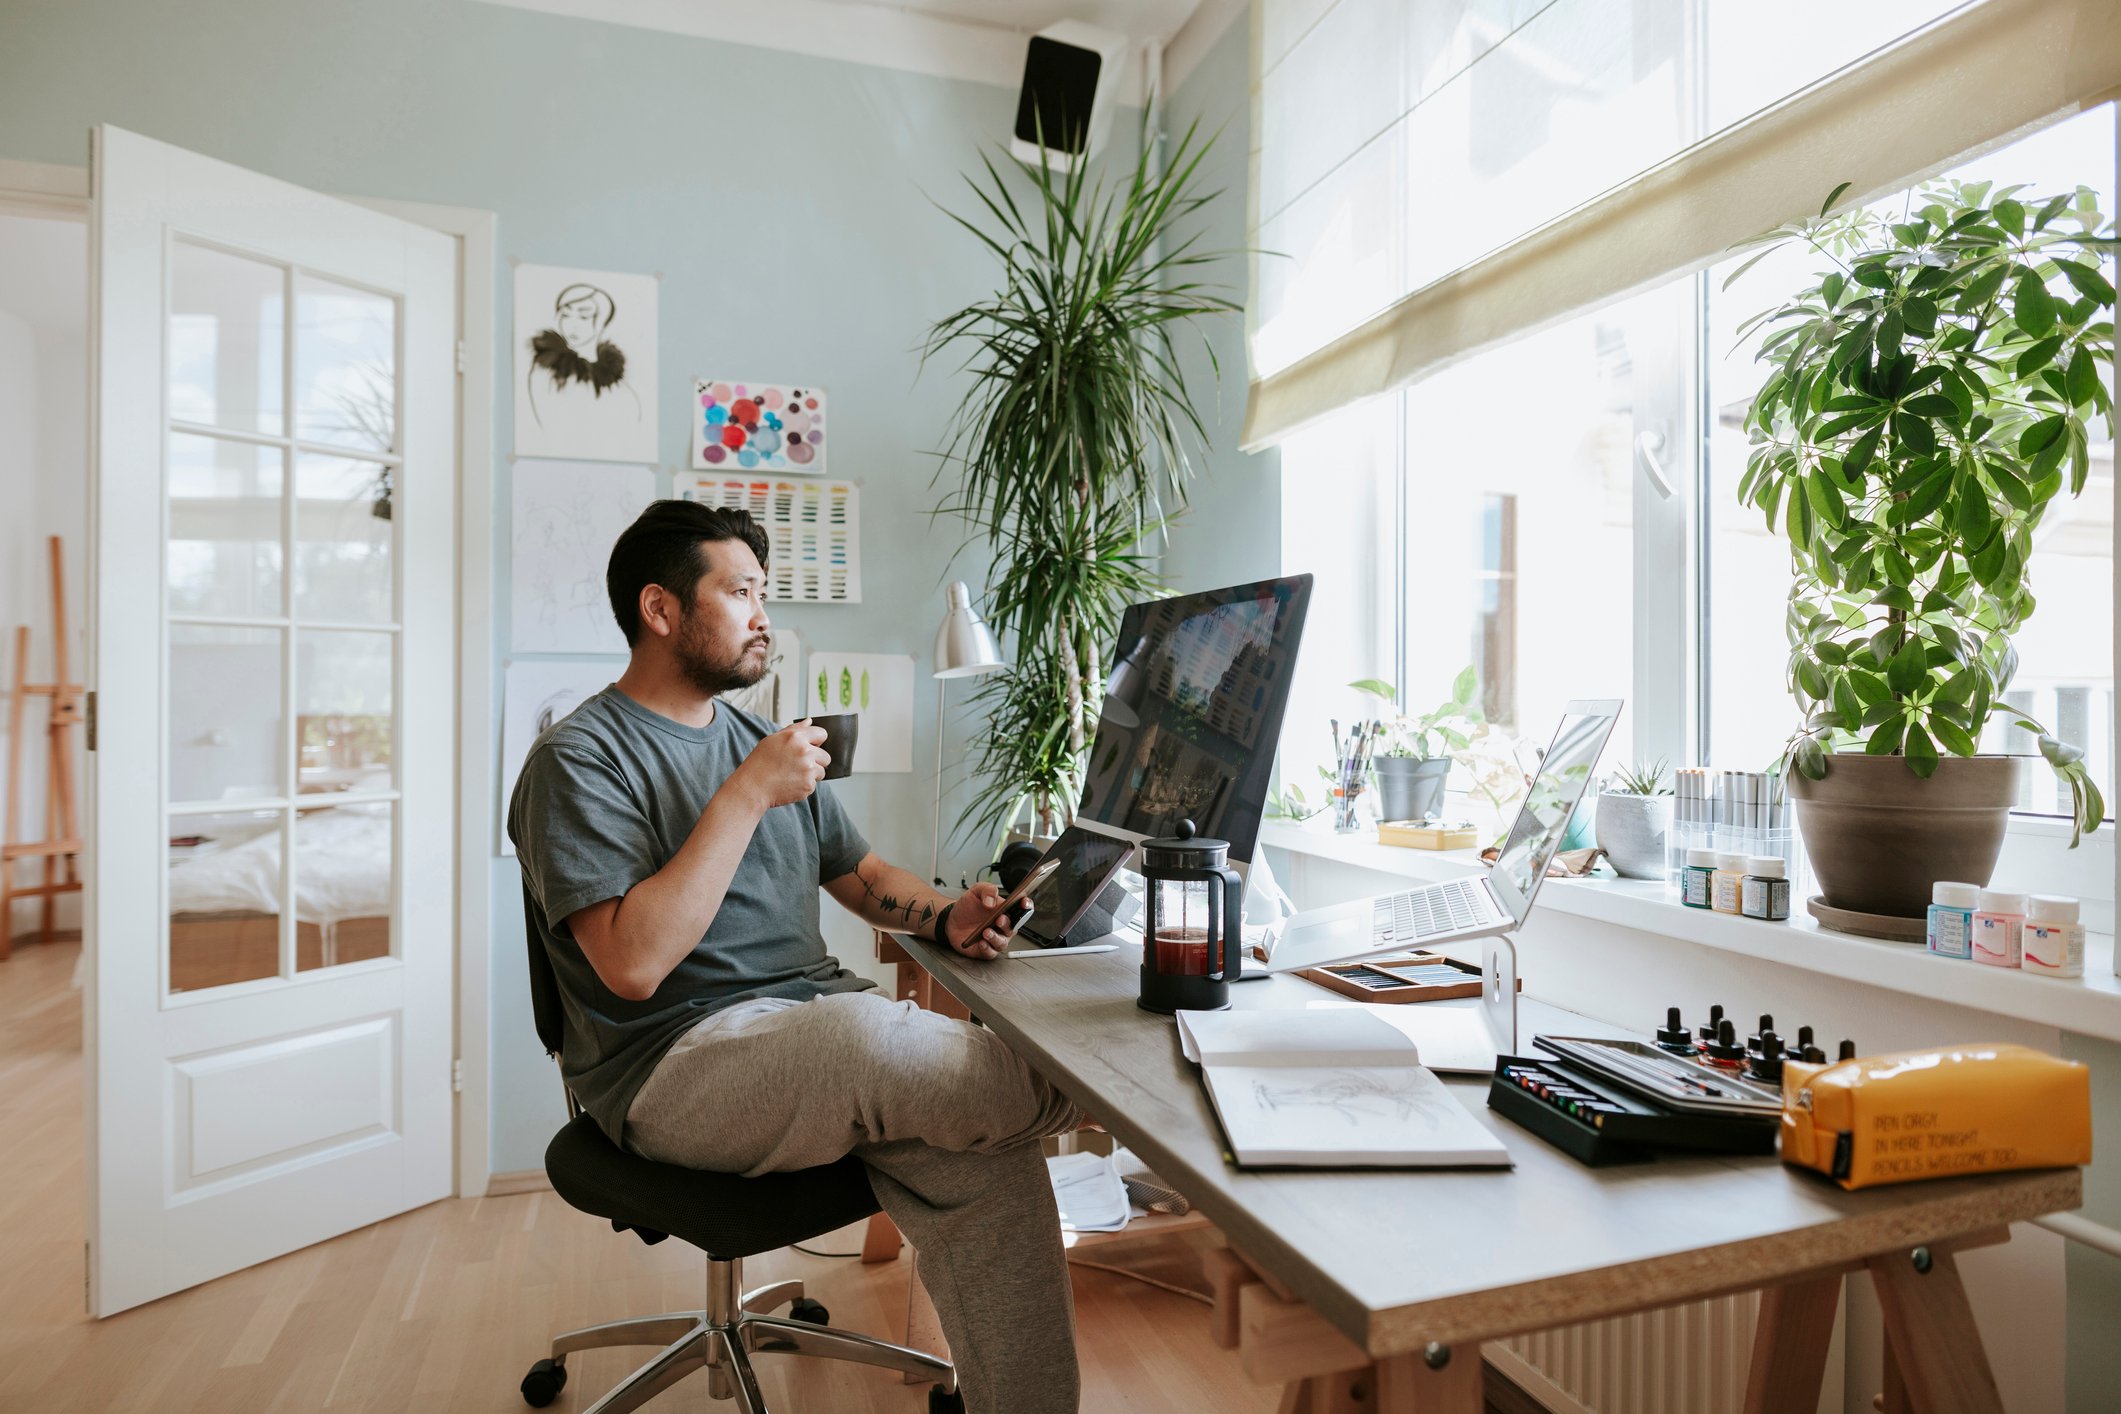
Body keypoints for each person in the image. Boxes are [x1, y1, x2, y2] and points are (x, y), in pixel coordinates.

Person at [508, 500, 1082, 1414]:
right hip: (673, 1067)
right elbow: (630, 966)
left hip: (811, 1036)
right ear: (661, 610)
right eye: (739, 592)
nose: (764, 615)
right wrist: (743, 795)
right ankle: (1110, 1092)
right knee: (870, 1036)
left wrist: (947, 917)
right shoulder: (579, 761)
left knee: (988, 1162)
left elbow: (859, 875)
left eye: (765, 593)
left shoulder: (759, 744)